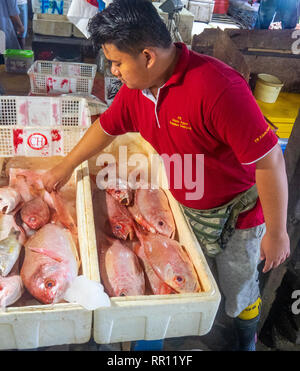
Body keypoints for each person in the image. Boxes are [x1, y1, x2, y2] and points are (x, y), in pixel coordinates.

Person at [42, 0, 290, 351]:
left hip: (240, 212)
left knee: (238, 288)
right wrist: (65, 167)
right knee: (186, 278)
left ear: (147, 56)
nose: (113, 71)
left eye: (116, 62)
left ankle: (244, 337)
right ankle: (160, 340)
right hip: (186, 204)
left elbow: (270, 162)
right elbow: (107, 129)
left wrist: (277, 232)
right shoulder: (137, 91)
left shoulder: (219, 89)